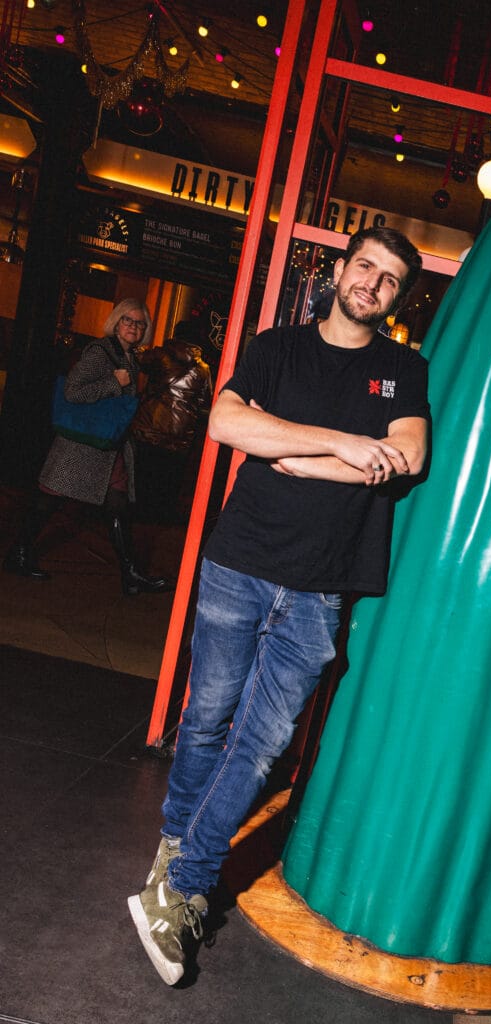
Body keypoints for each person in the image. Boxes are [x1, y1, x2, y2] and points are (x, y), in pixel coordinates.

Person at [128, 226, 430, 985]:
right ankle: (176, 852)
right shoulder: (276, 347)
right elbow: (227, 424)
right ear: (338, 269)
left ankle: (184, 883)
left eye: (390, 279)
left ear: (398, 297)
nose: (372, 283)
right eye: (364, 266)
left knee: (261, 745)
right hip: (239, 566)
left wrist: (292, 455)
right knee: (206, 720)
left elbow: (405, 457)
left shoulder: (401, 370)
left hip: (319, 588)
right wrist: (342, 444)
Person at [2, 298, 173, 596]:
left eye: (139, 323)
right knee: (49, 501)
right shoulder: (100, 352)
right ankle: (18, 553)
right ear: (117, 322)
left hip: (107, 446)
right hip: (81, 445)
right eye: (127, 321)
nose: (133, 327)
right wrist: (111, 383)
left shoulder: (130, 357)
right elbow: (72, 392)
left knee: (118, 505)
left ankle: (130, 573)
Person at [131, 319, 213, 523]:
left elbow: (136, 359)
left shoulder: (160, 355)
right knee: (168, 480)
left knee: (144, 475)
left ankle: (139, 517)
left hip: (151, 426)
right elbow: (205, 401)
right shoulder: (203, 368)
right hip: (180, 435)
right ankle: (161, 519)